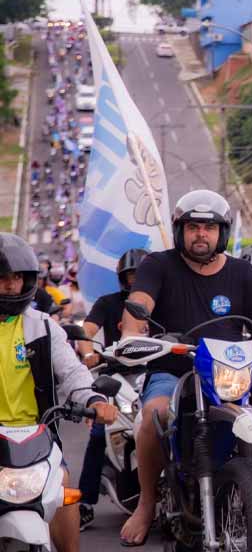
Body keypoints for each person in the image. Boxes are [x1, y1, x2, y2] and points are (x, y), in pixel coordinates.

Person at [118, 190, 252, 546]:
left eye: (209, 227)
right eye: (193, 226)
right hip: (175, 369)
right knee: (154, 415)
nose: (201, 234)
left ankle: (246, 483)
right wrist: (133, 333)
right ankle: (147, 504)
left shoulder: (243, 272)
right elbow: (139, 304)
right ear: (180, 230)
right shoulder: (158, 265)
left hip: (230, 373)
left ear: (221, 233)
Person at [0, 233, 117, 552]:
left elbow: (71, 371)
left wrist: (93, 399)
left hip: (36, 437)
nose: (11, 285)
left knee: (62, 484)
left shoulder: (42, 326)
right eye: (3, 278)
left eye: (18, 278)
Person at [75, 248, 147, 530]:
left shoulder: (163, 302)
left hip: (154, 374)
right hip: (117, 379)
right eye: (132, 275)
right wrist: (88, 352)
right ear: (122, 278)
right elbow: (86, 331)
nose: (136, 280)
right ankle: (85, 502)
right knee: (98, 433)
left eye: (142, 275)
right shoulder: (108, 303)